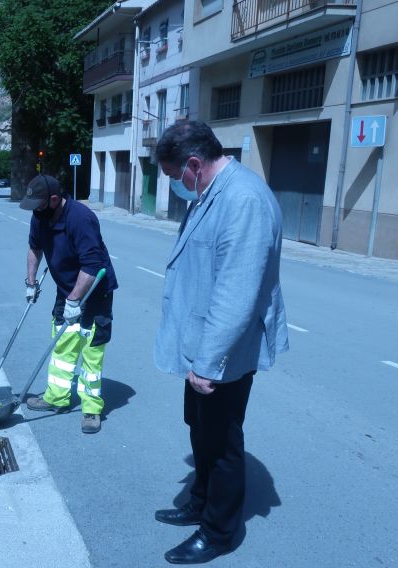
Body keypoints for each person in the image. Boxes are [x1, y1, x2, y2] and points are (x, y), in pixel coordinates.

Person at [152, 121, 289, 564]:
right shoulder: (213, 191)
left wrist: (209, 362)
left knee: (222, 441)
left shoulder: (243, 199)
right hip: (203, 342)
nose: (176, 185)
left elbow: (237, 292)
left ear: (194, 164)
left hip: (222, 350)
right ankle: (201, 502)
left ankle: (218, 531)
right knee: (200, 429)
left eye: (176, 176)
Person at [20, 174, 118, 434]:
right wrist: (31, 282)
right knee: (62, 346)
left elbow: (92, 264)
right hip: (67, 291)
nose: (35, 211)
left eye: (39, 205)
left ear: (54, 199)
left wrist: (75, 300)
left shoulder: (81, 218)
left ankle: (91, 409)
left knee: (90, 352)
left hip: (95, 293)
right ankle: (57, 397)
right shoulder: (40, 216)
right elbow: (34, 248)